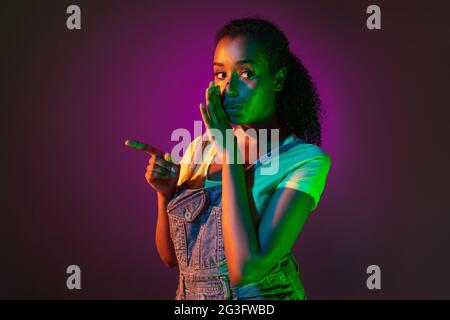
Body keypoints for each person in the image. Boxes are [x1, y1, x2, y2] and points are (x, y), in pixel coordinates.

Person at [125, 17, 331, 300]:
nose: (229, 88)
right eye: (221, 74)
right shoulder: (201, 147)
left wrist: (230, 154)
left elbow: (245, 270)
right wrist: (165, 195)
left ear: (278, 79)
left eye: (246, 73)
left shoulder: (304, 161)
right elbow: (171, 258)